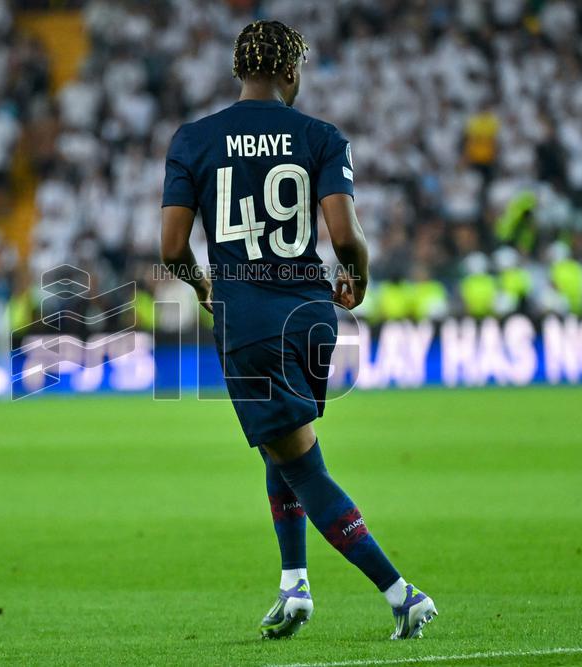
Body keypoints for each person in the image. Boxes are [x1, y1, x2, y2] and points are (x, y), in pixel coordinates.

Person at [160, 20, 436, 641]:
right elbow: (346, 237)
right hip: (312, 317)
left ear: (241, 70)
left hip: (249, 322)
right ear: (290, 71)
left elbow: (172, 248)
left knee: (301, 465)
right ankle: (294, 586)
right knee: (283, 445)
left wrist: (203, 287)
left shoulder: (193, 140)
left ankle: (401, 593)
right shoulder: (321, 137)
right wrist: (356, 276)